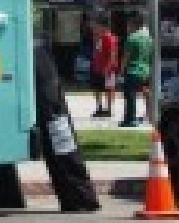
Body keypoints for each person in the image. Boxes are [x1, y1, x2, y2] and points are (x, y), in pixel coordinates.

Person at [33, 45, 100, 212]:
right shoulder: (39, 53)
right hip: (51, 98)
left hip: (50, 100)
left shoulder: (36, 54)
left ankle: (81, 198)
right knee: (62, 141)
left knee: (61, 141)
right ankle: (80, 198)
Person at [119, 10, 154, 128]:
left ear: (134, 24)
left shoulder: (132, 38)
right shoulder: (149, 38)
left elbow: (126, 57)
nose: (127, 27)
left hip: (133, 70)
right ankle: (150, 115)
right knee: (147, 92)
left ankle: (130, 119)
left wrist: (121, 71)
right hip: (146, 70)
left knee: (130, 95)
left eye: (129, 25)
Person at [87, 15, 119, 118]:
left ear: (102, 26)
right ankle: (99, 108)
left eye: (96, 25)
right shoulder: (98, 37)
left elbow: (112, 54)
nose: (94, 28)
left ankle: (109, 109)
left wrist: (108, 67)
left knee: (109, 89)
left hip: (107, 68)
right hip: (97, 67)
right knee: (97, 88)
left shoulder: (109, 37)